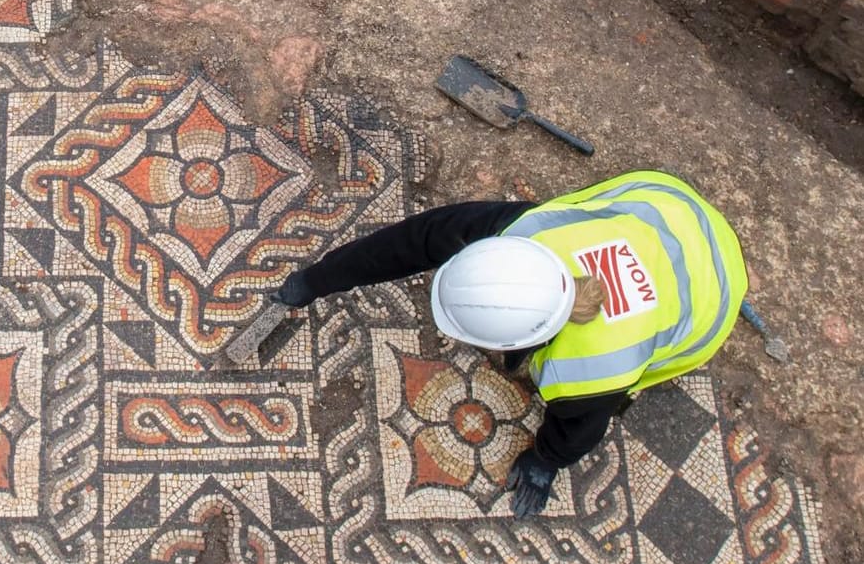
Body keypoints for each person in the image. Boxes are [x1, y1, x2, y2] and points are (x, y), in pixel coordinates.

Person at [274, 170, 746, 518]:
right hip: (668, 204)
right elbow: (413, 240)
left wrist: (545, 459)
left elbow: (582, 431)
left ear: (527, 345)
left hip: (715, 297)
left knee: (621, 391)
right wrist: (318, 280)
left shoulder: (591, 369)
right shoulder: (521, 231)